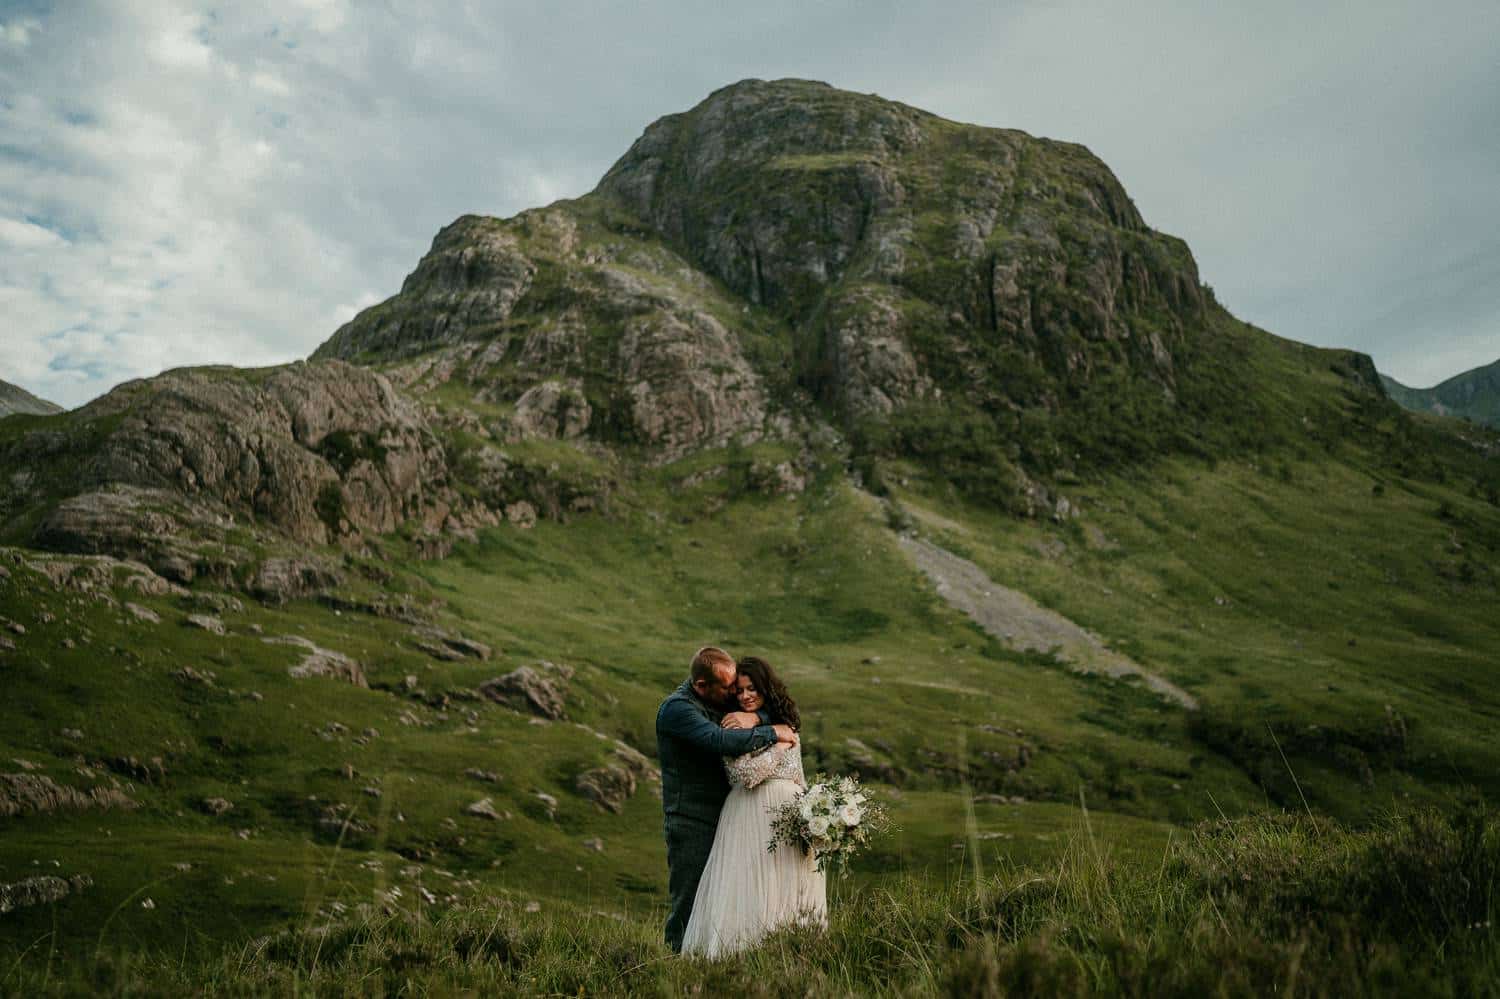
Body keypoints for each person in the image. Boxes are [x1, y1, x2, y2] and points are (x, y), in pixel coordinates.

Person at [680, 655, 827, 958]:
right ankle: (740, 961)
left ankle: (793, 957)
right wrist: (780, 745)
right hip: (750, 814)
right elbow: (744, 775)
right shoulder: (732, 725)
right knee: (750, 886)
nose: (745, 696)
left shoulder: (785, 723)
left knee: (791, 885)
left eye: (753, 689)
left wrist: (813, 815)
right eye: (740, 690)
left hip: (788, 816)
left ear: (766, 689)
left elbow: (798, 775)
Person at [656, 646, 799, 953]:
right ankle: (671, 965)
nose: (735, 693)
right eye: (728, 687)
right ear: (701, 686)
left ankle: (714, 964)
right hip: (691, 819)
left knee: (723, 899)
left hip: (728, 817)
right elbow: (720, 741)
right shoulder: (677, 710)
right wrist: (773, 731)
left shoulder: (717, 699)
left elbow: (757, 707)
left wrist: (757, 717)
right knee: (690, 900)